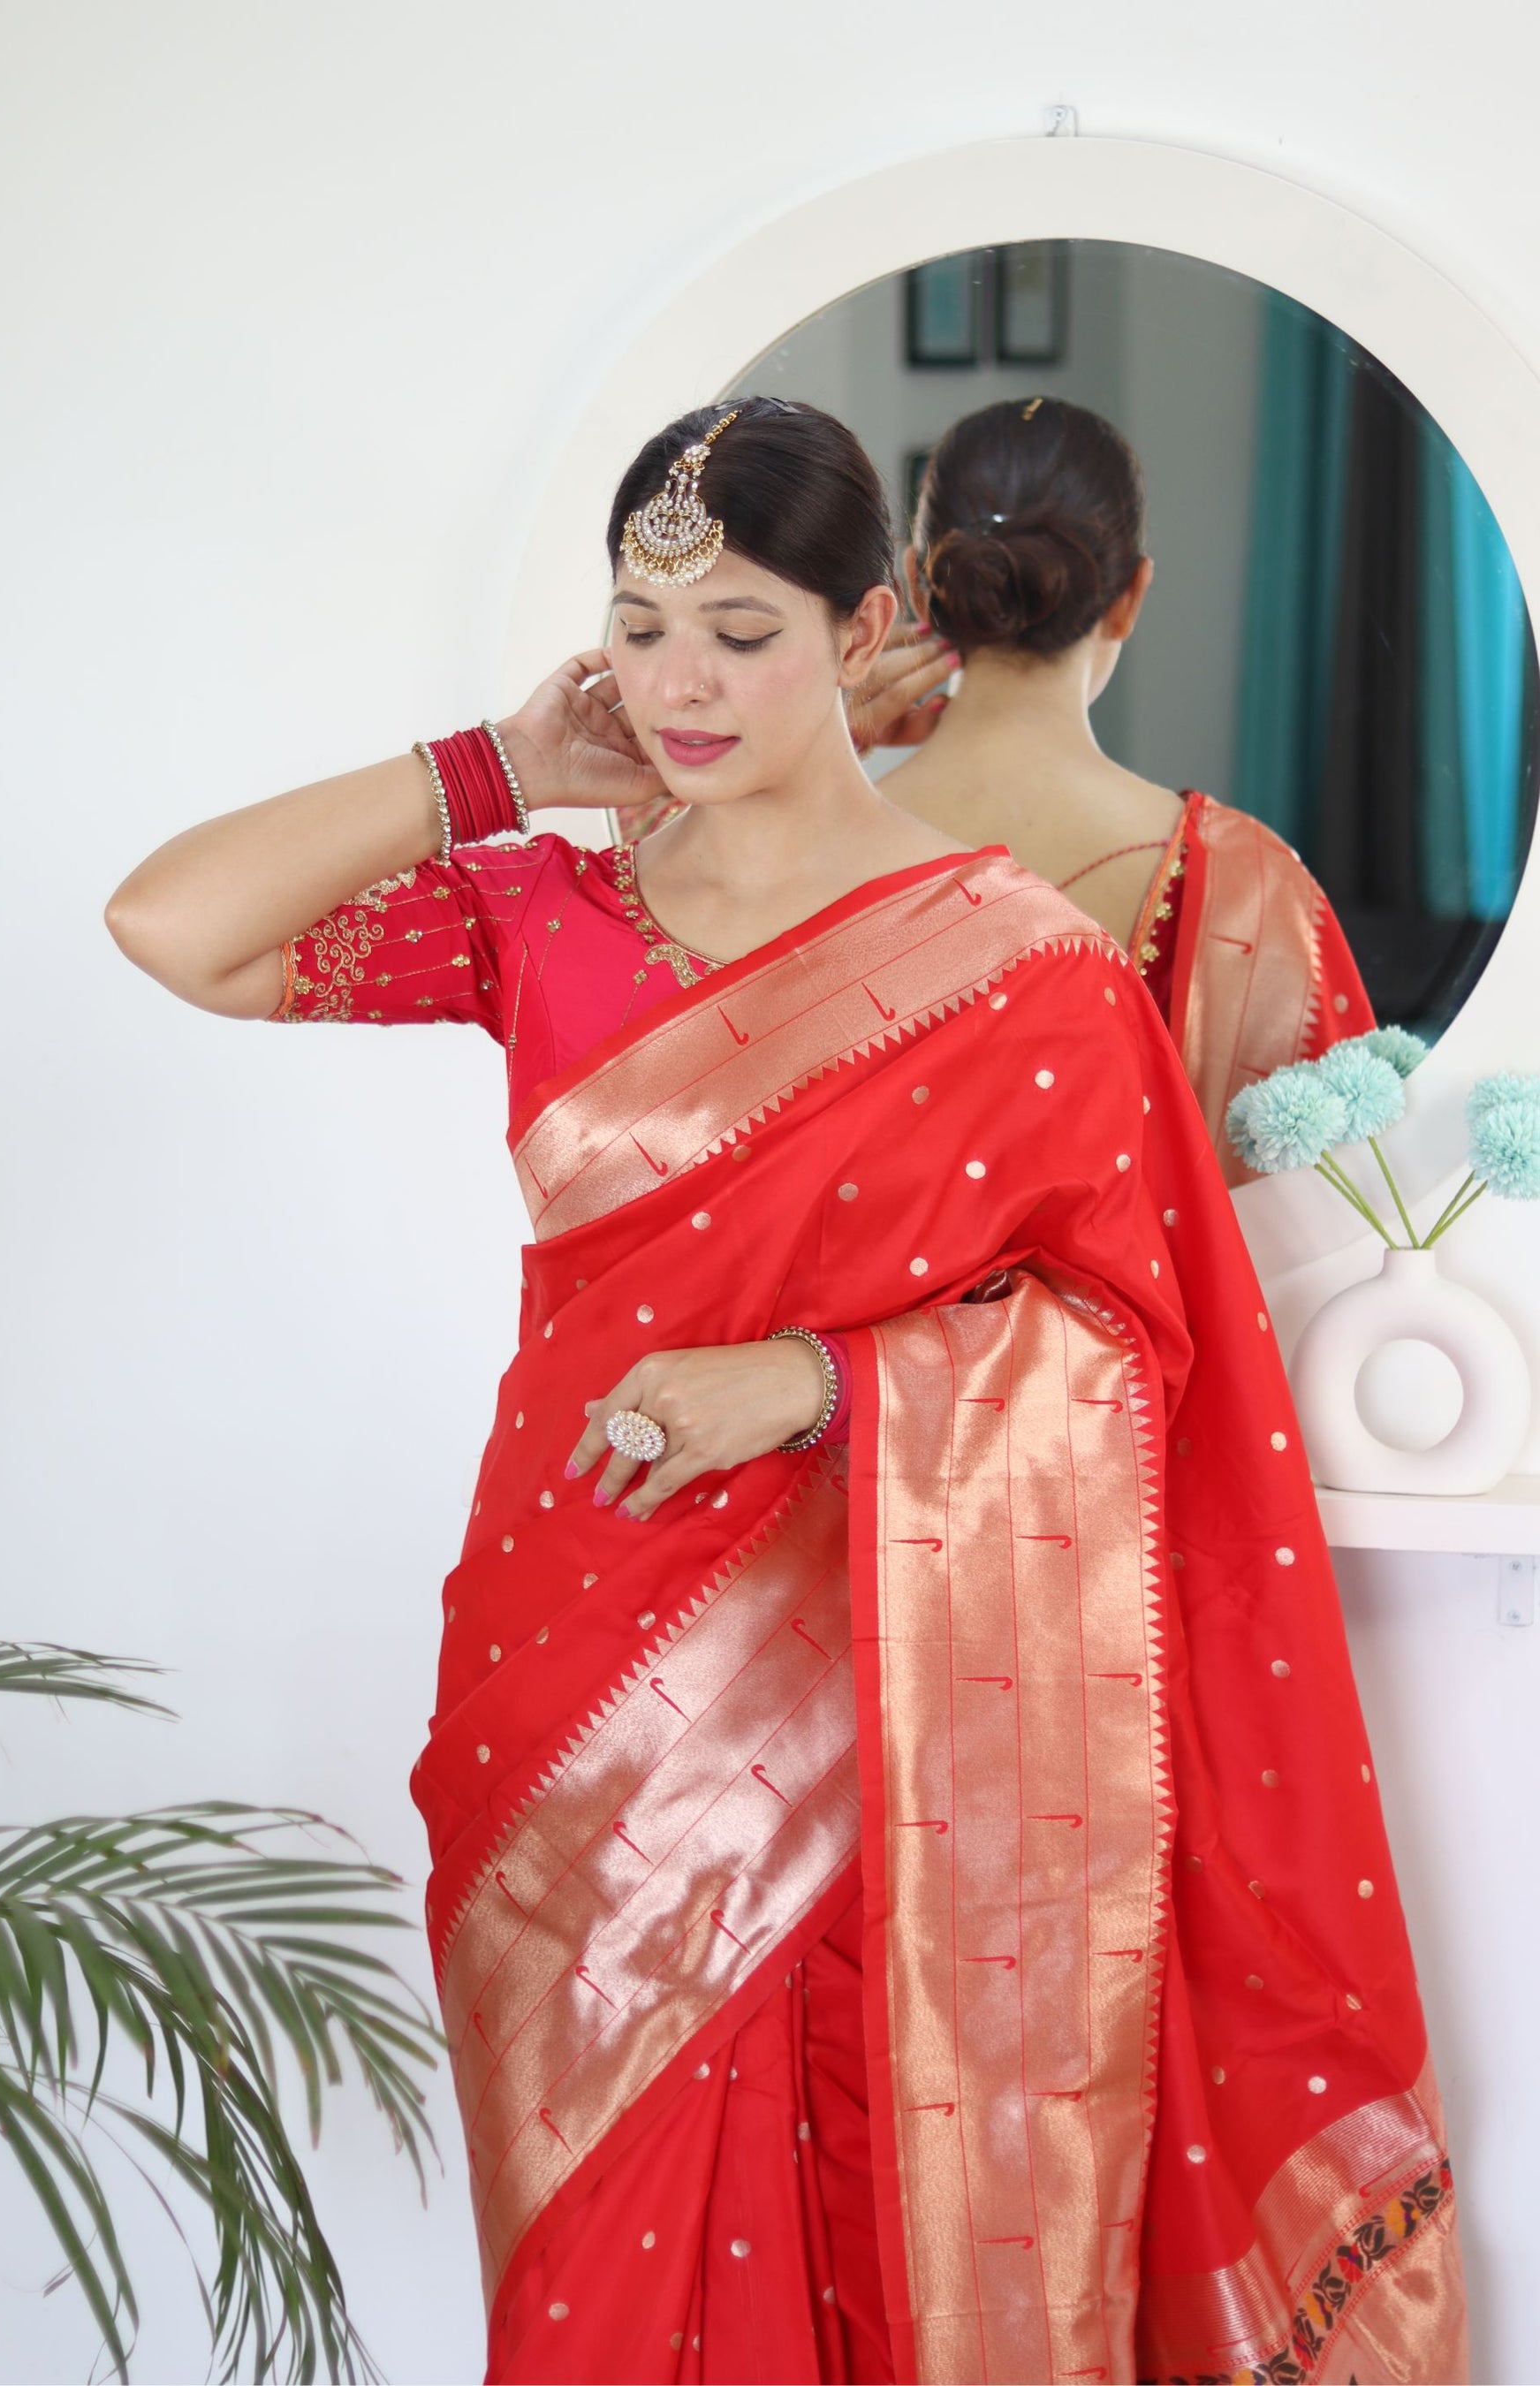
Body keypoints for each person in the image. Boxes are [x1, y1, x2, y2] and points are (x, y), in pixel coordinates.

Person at [107, 398, 1464, 2385]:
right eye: (643, 631)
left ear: (867, 624)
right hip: (568, 1680)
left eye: (742, 630)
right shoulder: (552, 914)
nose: (682, 685)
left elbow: (1130, 1354)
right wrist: (494, 764)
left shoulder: (1026, 970)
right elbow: (177, 929)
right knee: (596, 2278)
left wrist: (821, 1387)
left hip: (897, 1705)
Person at [860, 397, 1375, 1188]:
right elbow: (1334, 1203)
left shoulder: (802, 848)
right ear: (1131, 595)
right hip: (1162, 1317)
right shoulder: (1253, 884)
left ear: (921, 590)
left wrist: (819, 749)